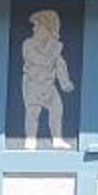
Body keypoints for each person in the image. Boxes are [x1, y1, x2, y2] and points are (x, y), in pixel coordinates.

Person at [16, 8, 74, 146]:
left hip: (48, 84)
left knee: (57, 108)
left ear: (49, 29)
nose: (34, 29)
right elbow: (40, 61)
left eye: (37, 26)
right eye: (34, 26)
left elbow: (60, 65)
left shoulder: (54, 47)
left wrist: (64, 82)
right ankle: (30, 139)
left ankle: (57, 139)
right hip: (32, 83)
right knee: (33, 112)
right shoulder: (28, 44)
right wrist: (54, 51)